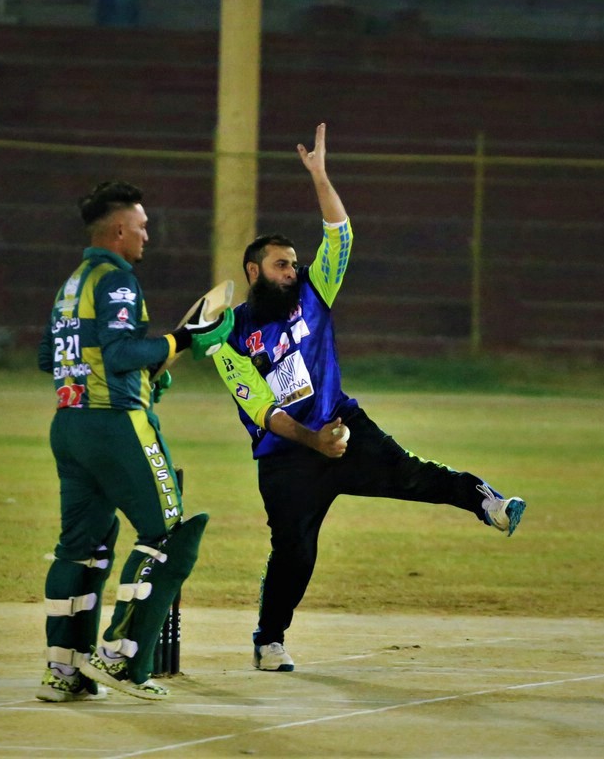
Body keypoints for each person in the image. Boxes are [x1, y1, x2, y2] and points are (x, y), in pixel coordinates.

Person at [209, 124, 527, 672]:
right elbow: (263, 410)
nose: (293, 270)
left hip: (343, 425)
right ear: (253, 271)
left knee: (413, 474)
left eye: (294, 262)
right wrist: (314, 441)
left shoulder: (314, 291)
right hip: (288, 457)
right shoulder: (228, 337)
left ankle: (489, 504)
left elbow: (340, 236)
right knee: (295, 551)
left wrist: (319, 176)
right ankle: (269, 640)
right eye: (281, 264)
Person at [36, 180, 233, 702]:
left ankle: (64, 672)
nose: (148, 235)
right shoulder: (118, 280)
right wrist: (180, 340)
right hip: (117, 425)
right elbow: (121, 354)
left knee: (80, 551)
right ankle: (121, 658)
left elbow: (49, 358)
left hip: (69, 426)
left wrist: (144, 374)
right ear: (120, 230)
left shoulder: (71, 285)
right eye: (142, 227)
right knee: (169, 534)